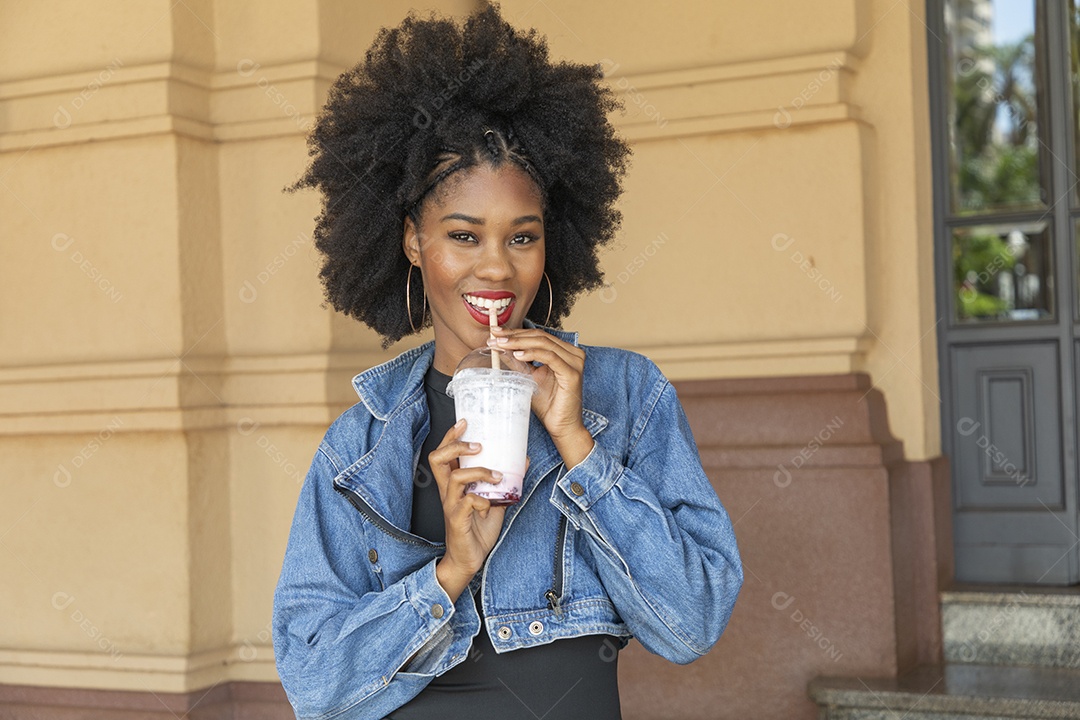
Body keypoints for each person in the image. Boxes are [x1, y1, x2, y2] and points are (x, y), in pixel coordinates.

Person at [271, 4, 743, 719]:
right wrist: (450, 571)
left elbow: (691, 622)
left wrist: (581, 448)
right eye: (464, 235)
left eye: (522, 238)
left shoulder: (625, 394)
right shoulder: (360, 445)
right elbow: (314, 683)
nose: (496, 269)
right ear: (410, 241)